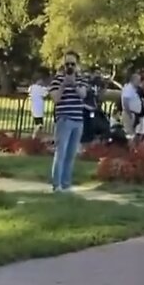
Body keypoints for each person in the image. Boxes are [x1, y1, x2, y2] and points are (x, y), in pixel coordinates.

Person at [49, 51, 86, 192]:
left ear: (77, 65)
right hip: (64, 119)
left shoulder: (81, 79)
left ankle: (66, 184)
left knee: (71, 154)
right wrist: (64, 85)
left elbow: (83, 94)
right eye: (67, 64)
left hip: (78, 120)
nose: (69, 67)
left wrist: (74, 84)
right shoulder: (57, 80)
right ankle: (56, 184)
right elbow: (55, 99)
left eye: (72, 64)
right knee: (60, 153)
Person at [121, 70, 143, 139]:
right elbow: (125, 101)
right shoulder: (128, 88)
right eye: (138, 80)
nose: (139, 82)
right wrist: (129, 113)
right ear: (133, 80)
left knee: (133, 132)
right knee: (129, 132)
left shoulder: (134, 89)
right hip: (129, 113)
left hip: (134, 113)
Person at [28, 70, 50, 138]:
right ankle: (34, 135)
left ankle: (36, 135)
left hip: (34, 106)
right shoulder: (41, 88)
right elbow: (45, 93)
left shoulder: (31, 87)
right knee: (40, 123)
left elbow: (30, 94)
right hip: (39, 107)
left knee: (37, 122)